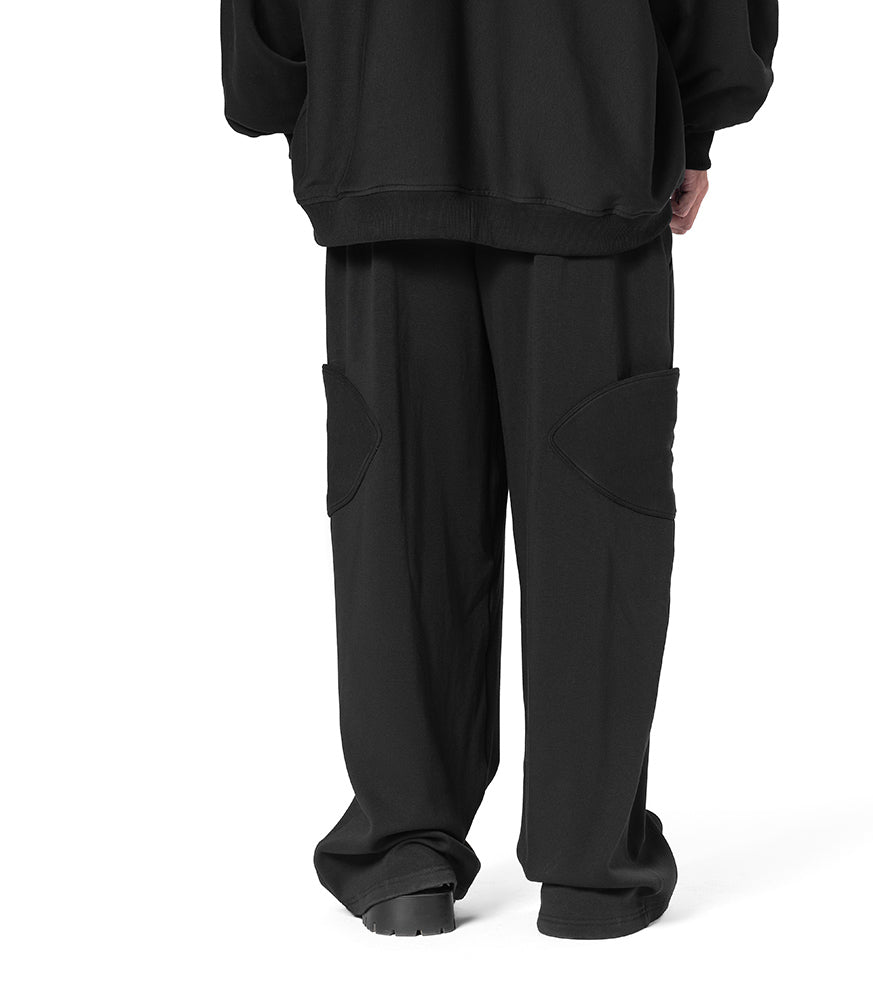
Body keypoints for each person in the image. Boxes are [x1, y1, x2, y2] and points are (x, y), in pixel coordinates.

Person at [222, 0, 777, 940]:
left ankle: (403, 855)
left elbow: (262, 49)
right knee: (597, 510)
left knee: (397, 512)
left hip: (381, 138)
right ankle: (591, 867)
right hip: (588, 128)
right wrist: (699, 111)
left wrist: (291, 89)